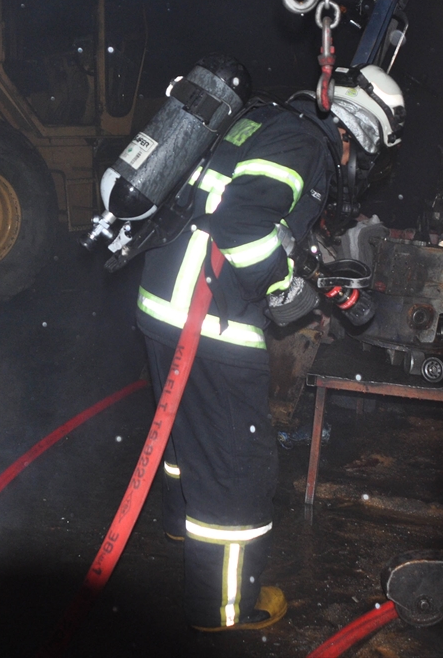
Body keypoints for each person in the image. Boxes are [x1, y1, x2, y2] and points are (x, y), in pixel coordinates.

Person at [136, 61, 405, 631]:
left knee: (190, 438)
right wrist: (283, 286)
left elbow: (240, 208)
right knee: (237, 467)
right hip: (209, 321)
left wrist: (299, 261)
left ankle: (180, 527)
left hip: (163, 302)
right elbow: (241, 224)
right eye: (361, 155)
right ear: (354, 132)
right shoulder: (305, 144)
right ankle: (224, 605)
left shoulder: (265, 121)